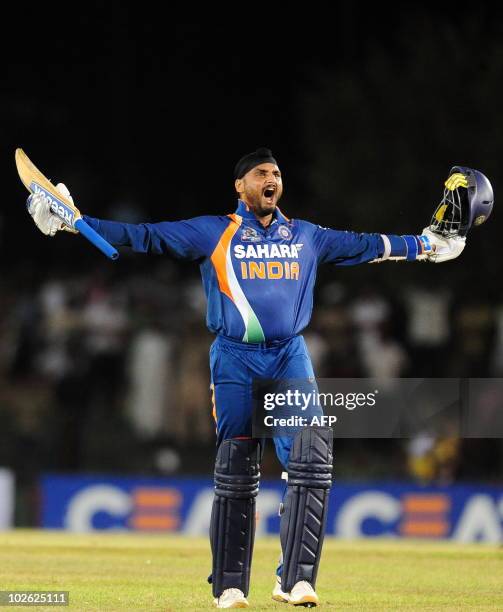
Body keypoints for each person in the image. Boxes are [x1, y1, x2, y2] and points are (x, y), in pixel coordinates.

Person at [26, 148, 470, 609]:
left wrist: (429, 245)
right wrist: (72, 220)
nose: (271, 179)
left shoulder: (307, 236)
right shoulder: (213, 231)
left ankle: (295, 581)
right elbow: (142, 237)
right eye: (261, 174)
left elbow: (370, 245)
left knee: (311, 459)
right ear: (240, 186)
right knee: (237, 468)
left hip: (288, 357)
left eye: (276, 173)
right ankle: (230, 585)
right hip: (235, 359)